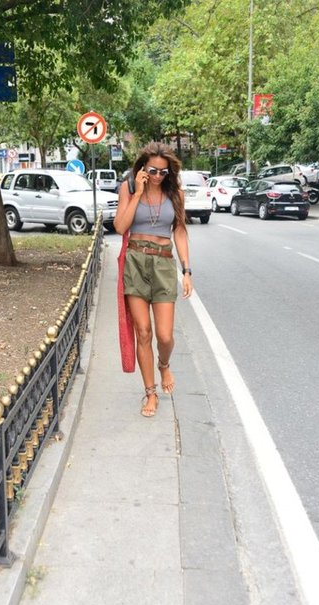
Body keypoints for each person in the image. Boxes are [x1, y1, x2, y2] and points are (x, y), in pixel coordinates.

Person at [114, 141, 193, 417]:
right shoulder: (128, 188)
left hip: (164, 263)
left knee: (165, 335)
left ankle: (164, 364)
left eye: (163, 172)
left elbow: (179, 232)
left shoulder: (176, 194)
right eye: (153, 171)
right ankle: (150, 393)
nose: (158, 176)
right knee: (144, 332)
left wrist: (187, 271)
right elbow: (120, 226)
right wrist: (137, 192)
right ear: (143, 169)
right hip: (135, 261)